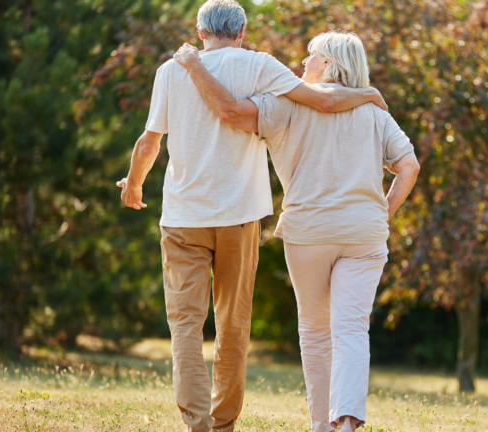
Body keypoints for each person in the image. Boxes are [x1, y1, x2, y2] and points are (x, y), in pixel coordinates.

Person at [115, 1, 388, 430]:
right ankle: (224, 425)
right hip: (239, 217)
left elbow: (149, 141)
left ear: (199, 30)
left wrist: (133, 183)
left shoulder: (170, 70)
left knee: (185, 326)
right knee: (233, 326)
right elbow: (323, 100)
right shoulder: (260, 65)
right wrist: (370, 94)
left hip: (183, 217)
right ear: (242, 29)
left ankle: (196, 423)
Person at [173, 31, 419, 432]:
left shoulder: (285, 105)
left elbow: (233, 113)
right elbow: (409, 167)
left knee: (315, 330)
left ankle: (321, 424)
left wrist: (194, 66)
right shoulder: (376, 111)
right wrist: (383, 212)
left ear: (327, 64)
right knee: (353, 327)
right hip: (365, 234)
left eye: (310, 57)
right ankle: (347, 420)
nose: (301, 64)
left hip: (310, 231)